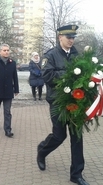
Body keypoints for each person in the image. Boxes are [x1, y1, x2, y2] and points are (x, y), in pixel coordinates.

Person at [36, 25, 89, 185]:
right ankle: (42, 151)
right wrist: (70, 74)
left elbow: (84, 73)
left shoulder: (76, 55)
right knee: (59, 136)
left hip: (75, 101)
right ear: (60, 37)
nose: (72, 40)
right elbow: (48, 76)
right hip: (57, 102)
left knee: (77, 137)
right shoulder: (50, 55)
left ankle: (76, 174)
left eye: (73, 37)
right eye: (68, 37)